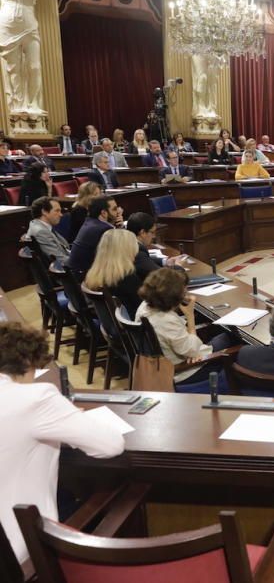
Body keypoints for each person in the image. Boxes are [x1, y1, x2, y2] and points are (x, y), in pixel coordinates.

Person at [0, 321, 125, 564]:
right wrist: (69, 417)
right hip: (23, 552)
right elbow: (110, 446)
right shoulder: (36, 397)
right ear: (27, 362)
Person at [135, 268, 234, 391]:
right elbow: (192, 351)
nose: (186, 292)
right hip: (185, 370)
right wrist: (190, 316)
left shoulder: (144, 306)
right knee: (231, 338)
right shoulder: (166, 320)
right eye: (184, 289)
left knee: (220, 335)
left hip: (175, 359)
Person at [84, 228, 142, 319]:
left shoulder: (95, 274)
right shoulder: (127, 278)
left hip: (110, 326)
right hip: (133, 328)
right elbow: (143, 308)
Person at [66, 196, 122, 278]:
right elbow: (120, 253)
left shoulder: (90, 222)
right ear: (103, 213)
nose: (118, 212)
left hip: (78, 275)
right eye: (114, 209)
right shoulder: (104, 229)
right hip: (87, 278)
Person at [27, 196, 69, 262]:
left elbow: (65, 248)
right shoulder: (41, 232)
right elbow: (59, 260)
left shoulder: (42, 226)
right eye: (57, 211)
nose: (61, 215)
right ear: (44, 212)